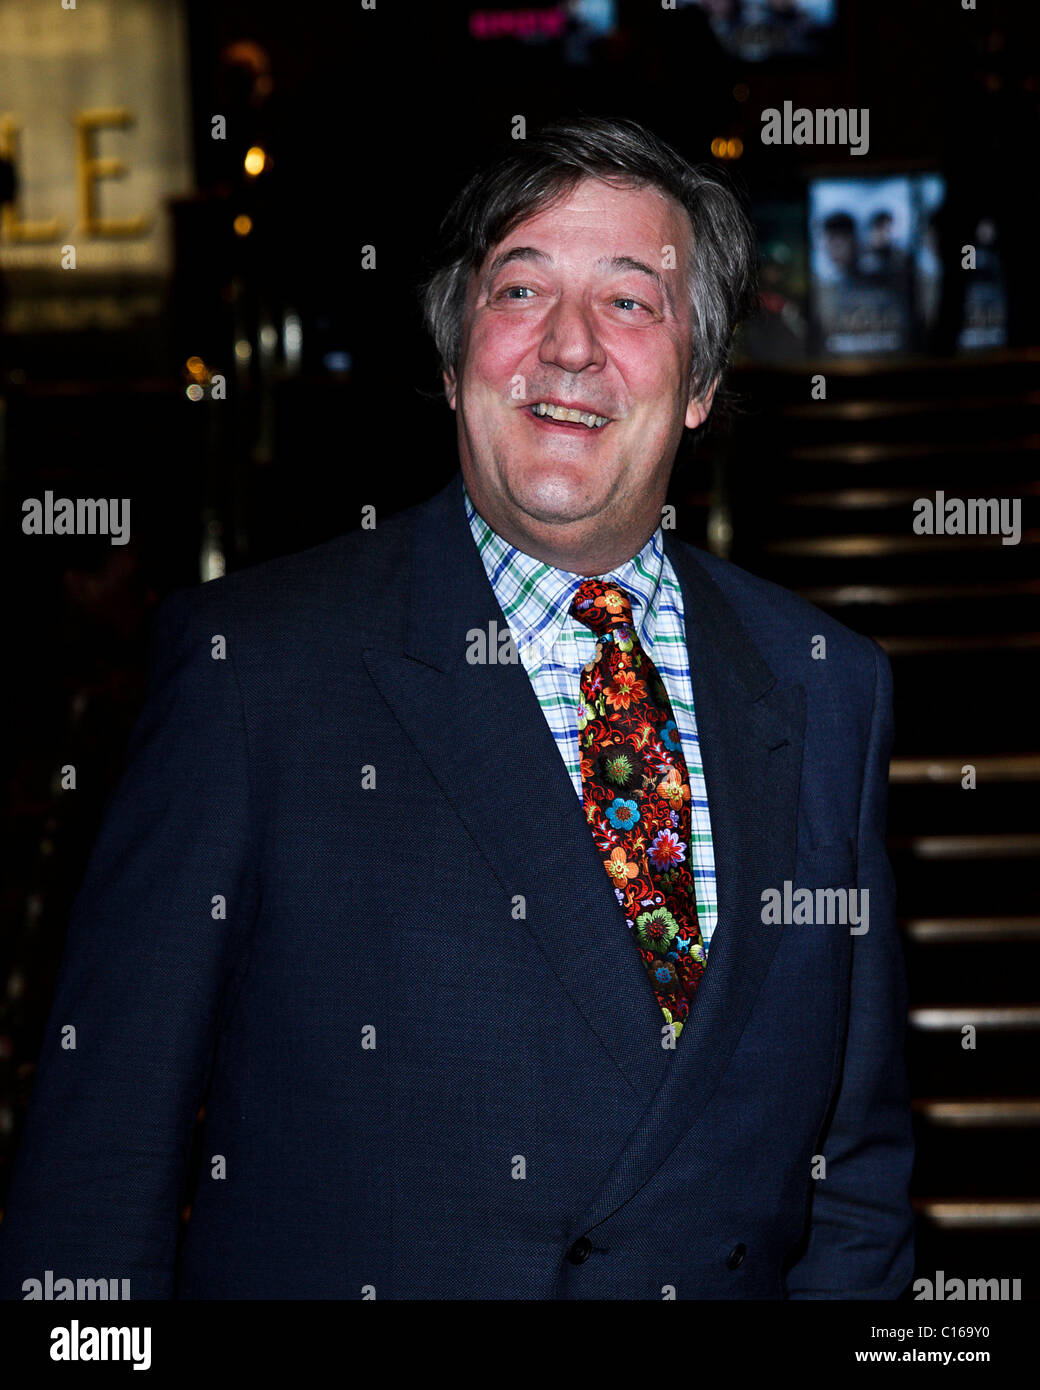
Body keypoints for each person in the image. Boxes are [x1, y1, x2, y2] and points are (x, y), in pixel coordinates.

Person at [0, 116, 914, 1300]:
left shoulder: (823, 683)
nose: (569, 348)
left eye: (631, 302)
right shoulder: (253, 673)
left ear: (700, 380)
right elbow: (100, 1166)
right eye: (519, 289)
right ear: (449, 357)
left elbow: (854, 1182)